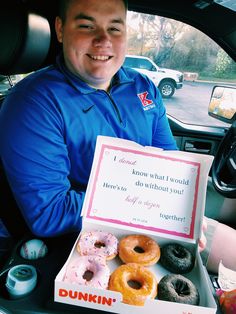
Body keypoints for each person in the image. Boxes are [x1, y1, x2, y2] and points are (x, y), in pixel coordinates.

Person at [0, 0, 235, 275]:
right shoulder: (33, 103)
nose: (103, 40)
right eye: (87, 26)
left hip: (146, 218)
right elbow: (50, 213)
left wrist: (186, 214)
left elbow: (171, 165)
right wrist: (154, 213)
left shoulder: (142, 86)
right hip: (72, 238)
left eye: (115, 28)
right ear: (61, 30)